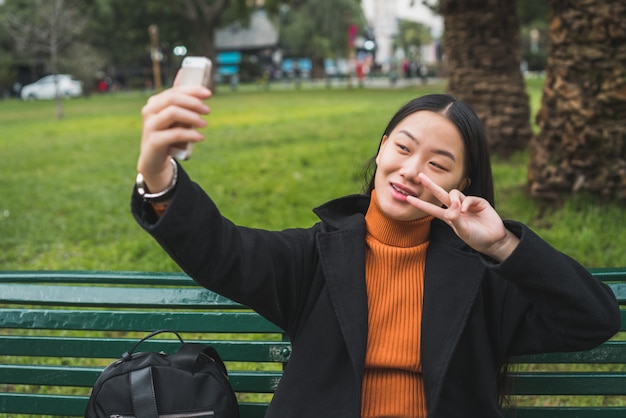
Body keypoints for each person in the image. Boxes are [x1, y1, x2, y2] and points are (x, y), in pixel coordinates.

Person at [132, 81, 621, 417]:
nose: (411, 171)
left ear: (461, 185)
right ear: (383, 147)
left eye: (438, 164)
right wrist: (159, 173)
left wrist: (501, 244)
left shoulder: (485, 276)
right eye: (403, 148)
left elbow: (591, 319)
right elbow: (222, 252)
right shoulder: (315, 257)